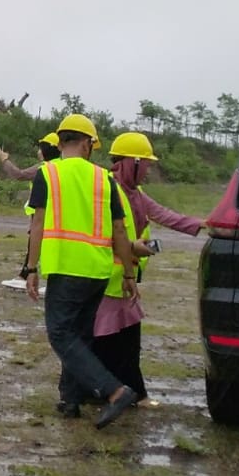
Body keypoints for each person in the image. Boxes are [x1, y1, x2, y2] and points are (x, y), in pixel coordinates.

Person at [23, 114, 140, 428]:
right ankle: (70, 400)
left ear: (60, 142)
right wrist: (129, 274)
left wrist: (30, 268)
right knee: (81, 336)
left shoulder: (48, 173)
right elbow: (119, 230)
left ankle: (115, 390)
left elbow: (37, 223)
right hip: (99, 271)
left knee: (61, 334)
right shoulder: (106, 179)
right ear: (88, 144)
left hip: (66, 267)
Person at [94, 132, 205, 400]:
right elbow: (100, 234)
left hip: (126, 280)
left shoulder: (137, 194)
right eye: (145, 163)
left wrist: (202, 225)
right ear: (131, 163)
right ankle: (119, 393)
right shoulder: (107, 191)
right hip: (107, 280)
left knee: (128, 342)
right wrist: (134, 247)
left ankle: (129, 394)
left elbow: (164, 215)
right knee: (111, 344)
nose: (148, 170)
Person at [0, 133, 61, 280]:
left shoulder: (44, 167)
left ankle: (27, 273)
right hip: (56, 212)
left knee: (35, 240)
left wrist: (5, 160)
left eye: (41, 148)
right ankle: (25, 273)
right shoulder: (62, 165)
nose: (38, 152)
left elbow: (19, 174)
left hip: (41, 211)